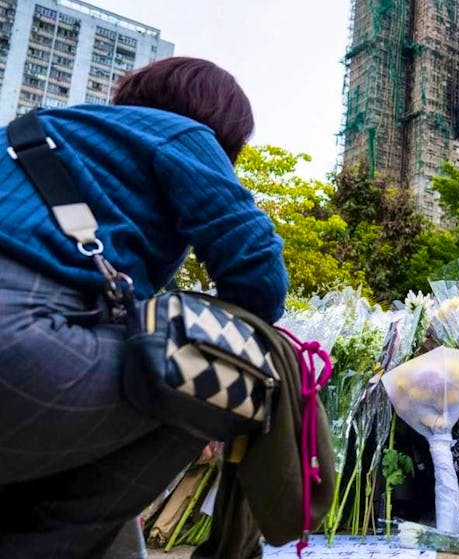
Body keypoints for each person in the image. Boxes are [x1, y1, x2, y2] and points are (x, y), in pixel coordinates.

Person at [0, 57, 289, 558]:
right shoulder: (182, 135)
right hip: (18, 344)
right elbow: (259, 278)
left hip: (31, 354)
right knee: (215, 373)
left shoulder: (28, 133)